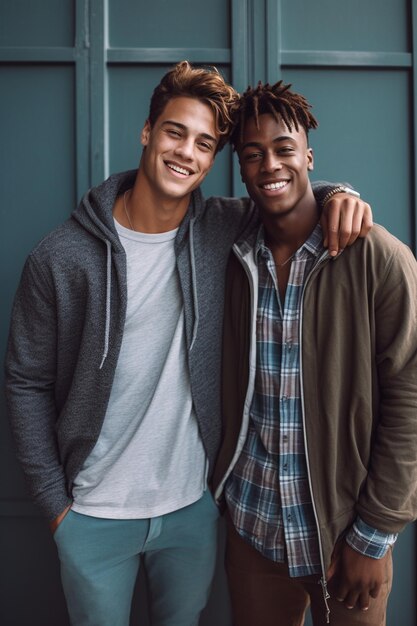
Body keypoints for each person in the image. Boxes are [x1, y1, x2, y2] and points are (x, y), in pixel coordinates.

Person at [5, 61, 371, 626]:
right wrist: (57, 507)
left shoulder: (222, 228)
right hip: (93, 515)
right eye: (175, 132)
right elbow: (25, 382)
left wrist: (339, 194)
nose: (186, 153)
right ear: (147, 132)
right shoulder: (59, 258)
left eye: (205, 143)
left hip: (192, 514)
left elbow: (284, 194)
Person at [212, 80, 417, 626]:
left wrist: (374, 534)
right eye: (253, 154)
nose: (270, 164)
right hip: (253, 530)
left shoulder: (379, 257)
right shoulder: (230, 254)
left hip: (344, 535)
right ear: (240, 167)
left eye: (283, 148)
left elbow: (410, 398)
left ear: (308, 155)